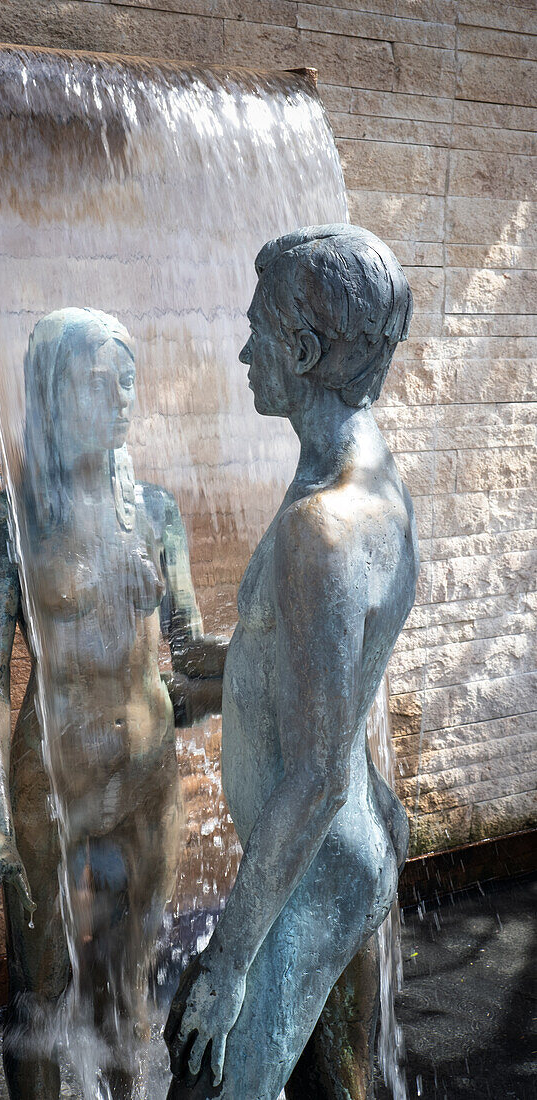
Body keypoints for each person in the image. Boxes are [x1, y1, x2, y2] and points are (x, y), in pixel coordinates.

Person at [0, 307, 226, 1100]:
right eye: (98, 383)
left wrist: (259, 654)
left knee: (127, 1000)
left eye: (126, 380)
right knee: (37, 999)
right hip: (48, 789)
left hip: (146, 785)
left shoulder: (158, 514)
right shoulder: (10, 524)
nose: (120, 398)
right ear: (53, 397)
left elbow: (190, 656)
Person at [165, 225, 417, 1100]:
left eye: (256, 330)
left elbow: (312, 776)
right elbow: (322, 663)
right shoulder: (354, 477)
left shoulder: (326, 529)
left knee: (224, 1082)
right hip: (337, 849)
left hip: (317, 866)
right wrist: (215, 669)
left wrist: (230, 964)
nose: (241, 351)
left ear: (302, 349)